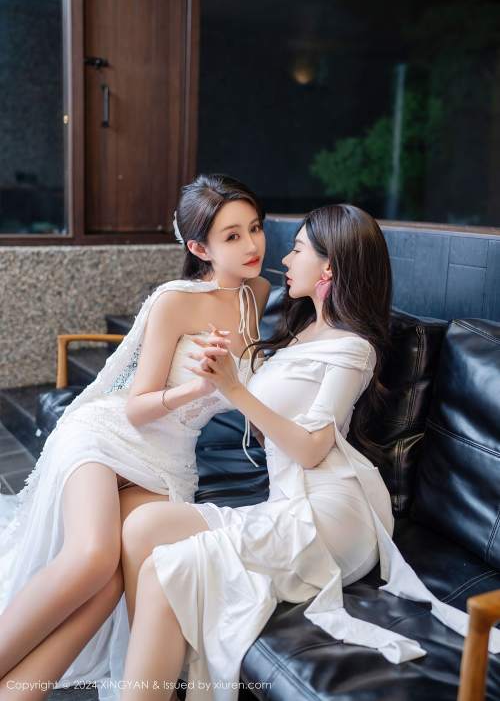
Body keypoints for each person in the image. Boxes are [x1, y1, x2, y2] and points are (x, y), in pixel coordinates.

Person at [116, 204, 500, 701]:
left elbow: (314, 449)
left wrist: (235, 388)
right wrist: (222, 370)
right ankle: (157, 675)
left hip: (329, 515)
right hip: (288, 502)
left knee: (163, 571)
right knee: (142, 527)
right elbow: (270, 417)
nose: (283, 260)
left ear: (328, 268)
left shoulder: (353, 348)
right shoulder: (303, 332)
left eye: (297, 249)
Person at [0, 173, 271, 700]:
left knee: (108, 589)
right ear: (200, 248)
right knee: (92, 556)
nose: (252, 245)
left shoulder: (258, 295)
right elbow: (138, 406)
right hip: (108, 438)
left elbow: (252, 397)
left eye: (255, 228)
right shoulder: (176, 300)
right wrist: (199, 387)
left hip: (168, 462)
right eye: (233, 235)